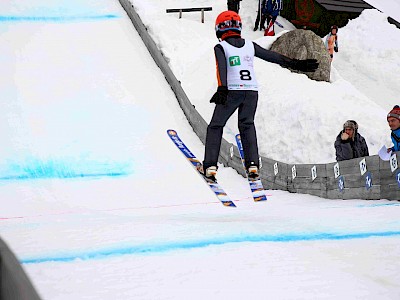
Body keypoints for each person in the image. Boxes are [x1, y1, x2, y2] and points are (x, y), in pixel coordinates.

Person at [202, 10, 319, 181]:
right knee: (247, 125)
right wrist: (298, 64)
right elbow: (274, 57)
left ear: (219, 29)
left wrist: (222, 88)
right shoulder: (250, 45)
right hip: (251, 92)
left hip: (232, 91)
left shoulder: (221, 47)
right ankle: (253, 166)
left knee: (216, 126)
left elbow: (222, 68)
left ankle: (210, 166)